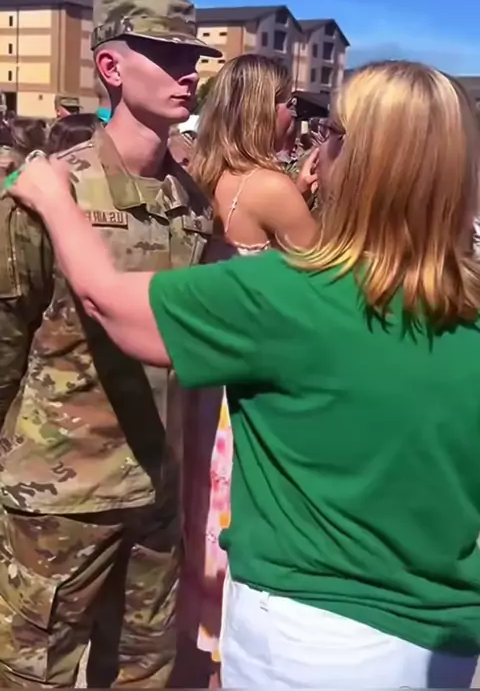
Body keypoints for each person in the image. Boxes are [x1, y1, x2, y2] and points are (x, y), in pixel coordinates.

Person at [7, 60, 480, 690]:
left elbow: (108, 302)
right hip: (440, 644)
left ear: (360, 161)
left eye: (332, 133)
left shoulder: (289, 296)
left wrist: (52, 199)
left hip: (306, 637)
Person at [0, 0, 219, 688]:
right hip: (59, 499)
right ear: (112, 68)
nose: (187, 73)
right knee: (34, 677)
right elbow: (6, 339)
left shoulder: (193, 203)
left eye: (191, 58)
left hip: (154, 496)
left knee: (144, 673)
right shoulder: (49, 193)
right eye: (166, 56)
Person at [185, 54, 318, 681]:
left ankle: (196, 640)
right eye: (288, 101)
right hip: (249, 385)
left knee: (198, 510)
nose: (295, 114)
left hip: (201, 375)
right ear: (264, 109)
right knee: (232, 509)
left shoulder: (198, 172)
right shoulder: (270, 187)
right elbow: (322, 278)